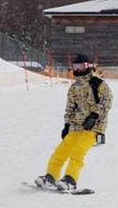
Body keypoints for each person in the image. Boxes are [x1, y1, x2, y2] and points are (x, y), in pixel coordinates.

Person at [36, 54, 112, 190]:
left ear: (88, 66)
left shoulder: (98, 84)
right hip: (76, 125)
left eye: (81, 67)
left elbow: (107, 102)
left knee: (78, 152)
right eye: (76, 67)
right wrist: (66, 124)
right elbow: (70, 106)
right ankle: (51, 176)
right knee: (61, 151)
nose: (78, 70)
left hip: (93, 127)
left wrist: (94, 116)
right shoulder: (74, 87)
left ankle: (70, 179)